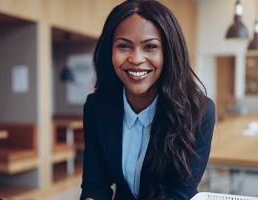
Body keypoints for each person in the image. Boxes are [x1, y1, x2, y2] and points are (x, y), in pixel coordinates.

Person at [80, 0, 215, 199]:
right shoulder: (96, 107)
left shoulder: (198, 111)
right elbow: (96, 184)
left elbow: (178, 195)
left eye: (150, 46)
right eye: (124, 46)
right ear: (110, 51)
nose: (136, 59)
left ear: (169, 52)